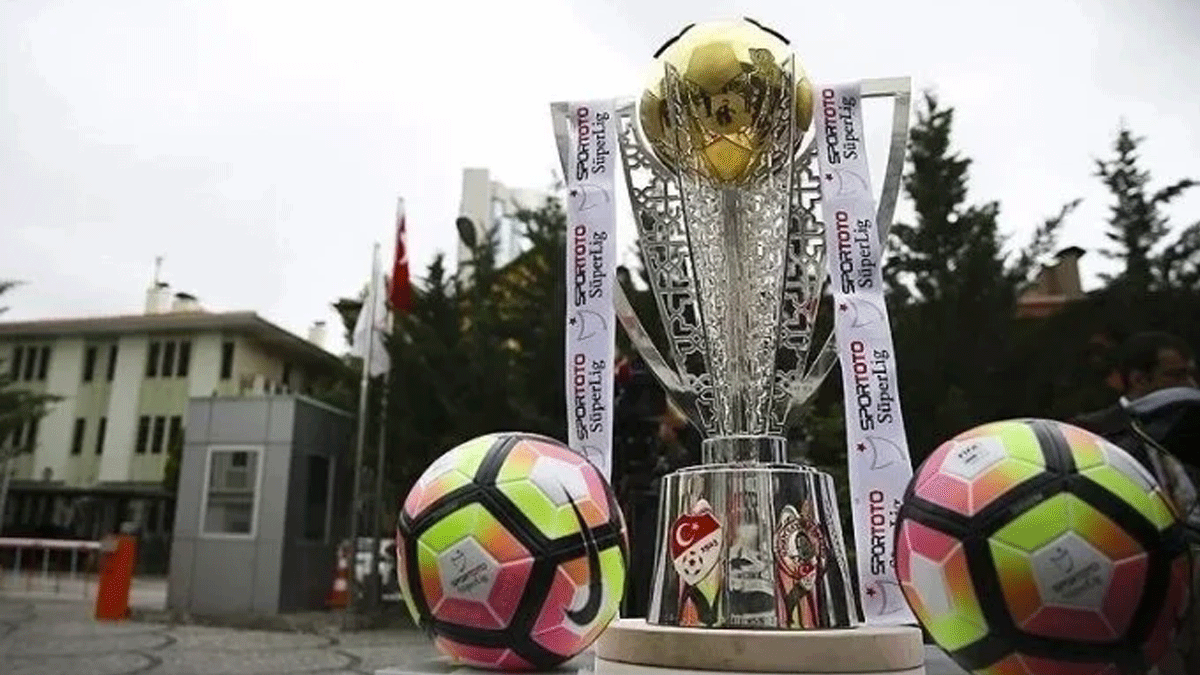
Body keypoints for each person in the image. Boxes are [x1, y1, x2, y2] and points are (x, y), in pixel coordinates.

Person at [1070, 331, 1197, 441]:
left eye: (1192, 375)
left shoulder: (1193, 423)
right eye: (1177, 375)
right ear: (1139, 380)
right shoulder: (1088, 430)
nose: (1191, 384)